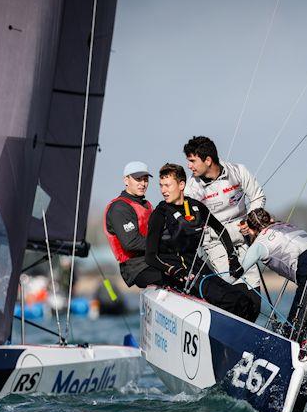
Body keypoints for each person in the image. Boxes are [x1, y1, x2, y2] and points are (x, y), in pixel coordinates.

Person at [145, 163, 258, 322]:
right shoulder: (159, 214)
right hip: (178, 274)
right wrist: (172, 270)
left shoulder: (196, 206)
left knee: (246, 302)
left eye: (168, 185)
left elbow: (221, 230)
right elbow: (149, 257)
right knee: (230, 301)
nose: (163, 190)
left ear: (181, 185)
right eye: (161, 185)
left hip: (198, 267)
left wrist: (231, 258)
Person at [183, 137, 265, 303]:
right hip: (216, 243)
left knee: (255, 297)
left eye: (192, 161)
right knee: (236, 293)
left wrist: (251, 222)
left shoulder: (237, 171)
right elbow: (191, 219)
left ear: (208, 160)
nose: (189, 166)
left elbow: (258, 196)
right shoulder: (192, 188)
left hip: (243, 239)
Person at [240, 208, 307, 324]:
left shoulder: (259, 244)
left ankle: (292, 335)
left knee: (294, 324)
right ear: (270, 219)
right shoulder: (285, 225)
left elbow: (237, 272)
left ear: (251, 231)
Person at [103, 161, 157, 287]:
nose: (143, 184)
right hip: (135, 267)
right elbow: (131, 243)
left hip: (152, 260)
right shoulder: (119, 208)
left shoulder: (147, 205)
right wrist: (163, 243)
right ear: (126, 180)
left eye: (145, 179)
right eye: (138, 179)